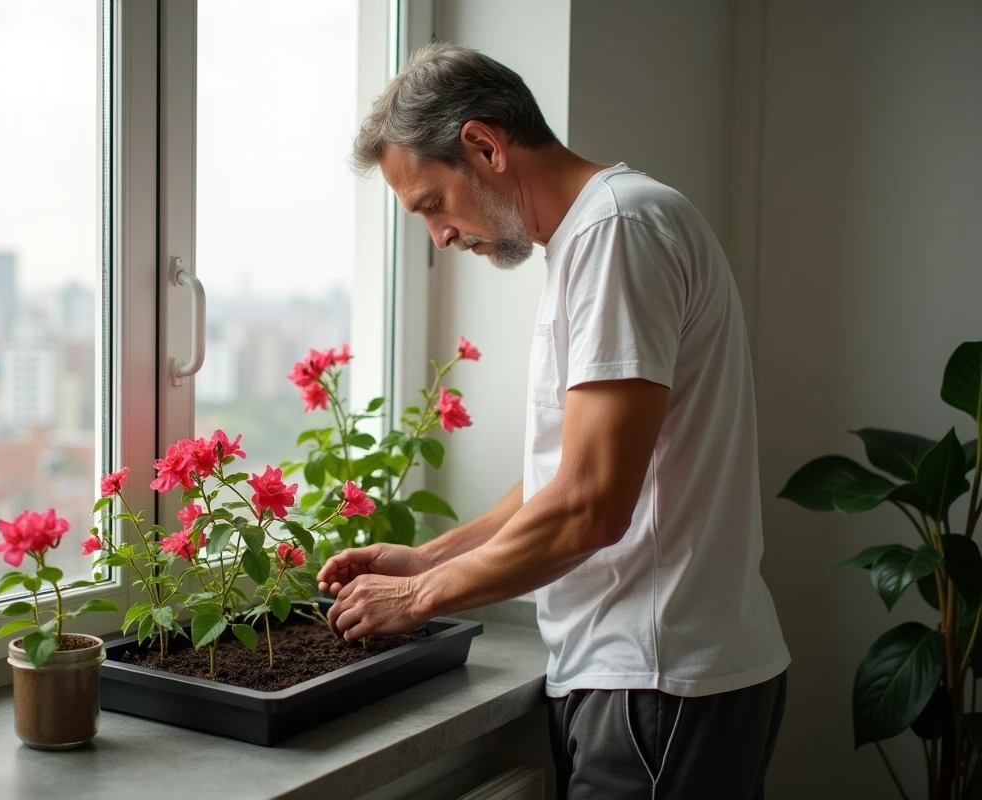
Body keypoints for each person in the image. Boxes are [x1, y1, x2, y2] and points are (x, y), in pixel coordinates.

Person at [316, 42, 790, 799]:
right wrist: (431, 557)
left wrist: (419, 599)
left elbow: (594, 505)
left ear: (483, 145)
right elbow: (561, 480)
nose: (438, 236)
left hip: (656, 682)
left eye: (432, 203)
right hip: (649, 682)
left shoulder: (617, 234)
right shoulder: (595, 236)